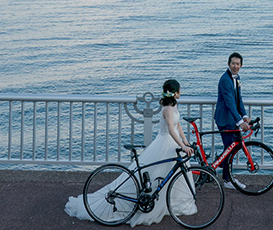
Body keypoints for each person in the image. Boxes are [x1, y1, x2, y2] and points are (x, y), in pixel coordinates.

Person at [65, 79, 196, 225]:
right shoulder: (167, 109)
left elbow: (178, 126)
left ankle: (167, 205)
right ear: (176, 93)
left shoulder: (173, 106)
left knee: (166, 174)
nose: (180, 93)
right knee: (156, 173)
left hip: (172, 143)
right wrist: (182, 146)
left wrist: (184, 140)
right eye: (179, 90)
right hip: (165, 142)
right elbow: (171, 129)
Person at [213, 52, 250, 185]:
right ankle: (227, 179)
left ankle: (218, 166)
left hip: (232, 119)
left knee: (231, 148)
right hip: (225, 119)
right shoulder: (225, 79)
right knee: (230, 148)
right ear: (228, 64)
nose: (235, 66)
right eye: (233, 63)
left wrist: (244, 115)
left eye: (237, 64)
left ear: (241, 65)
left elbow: (238, 99)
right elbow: (229, 102)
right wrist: (240, 122)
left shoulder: (236, 77)